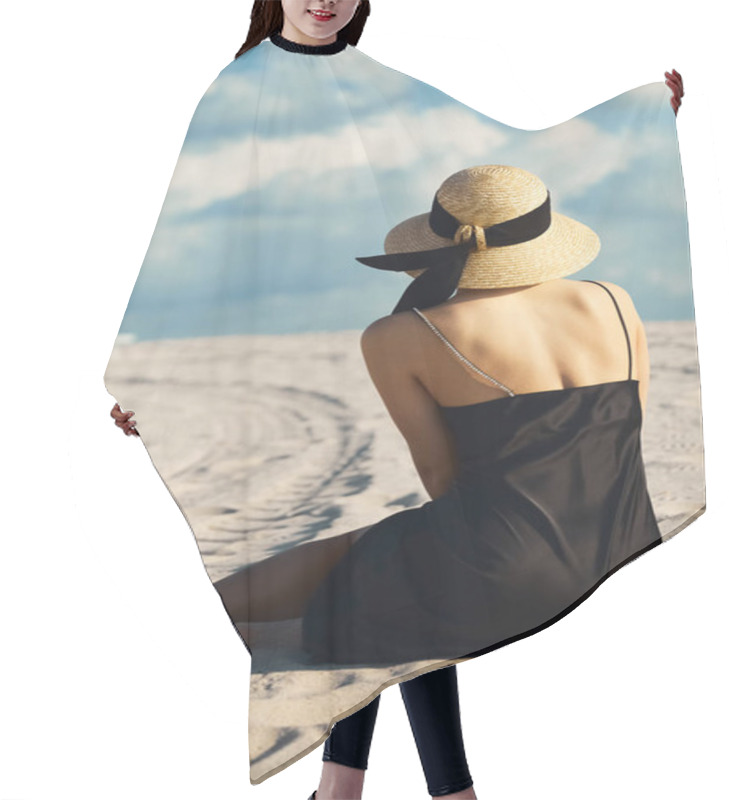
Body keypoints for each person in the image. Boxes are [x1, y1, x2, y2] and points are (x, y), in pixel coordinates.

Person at [107, 4, 686, 799]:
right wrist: (643, 116)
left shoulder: (400, 336)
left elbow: (445, 484)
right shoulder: (616, 300)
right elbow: (628, 441)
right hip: (614, 527)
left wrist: (152, 395)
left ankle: (416, 791)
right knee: (393, 576)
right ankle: (354, 786)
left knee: (362, 583)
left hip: (499, 555)